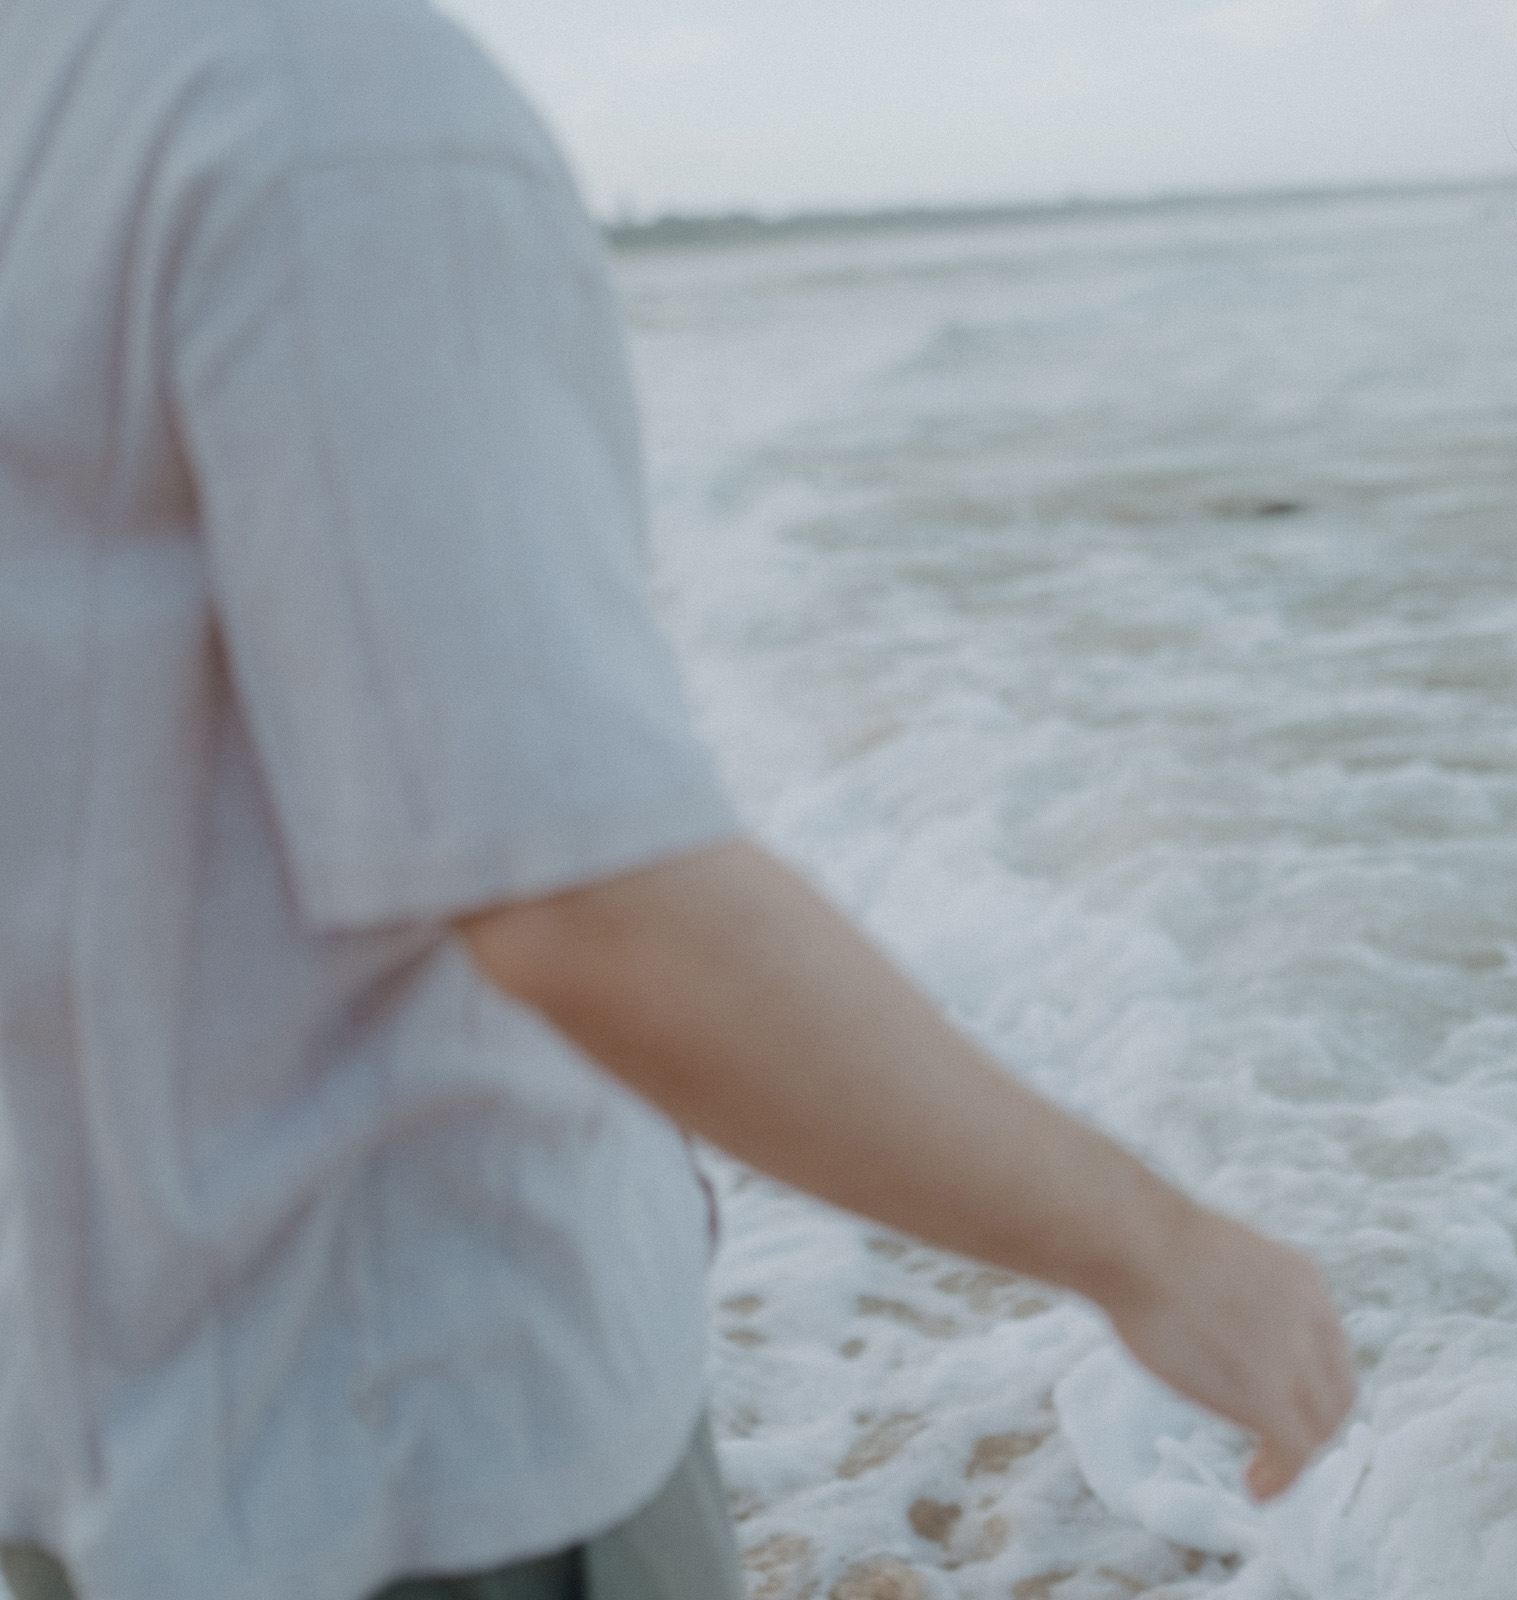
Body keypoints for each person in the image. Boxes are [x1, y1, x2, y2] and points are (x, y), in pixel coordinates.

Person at [0, 2, 1353, 1597]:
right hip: (419, 1455)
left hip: (99, 1414)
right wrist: (1160, 1254)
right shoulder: (333, 100)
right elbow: (579, 900)